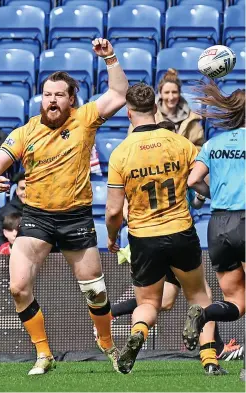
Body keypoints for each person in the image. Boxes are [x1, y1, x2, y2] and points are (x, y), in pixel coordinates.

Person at [0, 38, 129, 375]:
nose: (51, 100)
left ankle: (106, 341)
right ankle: (43, 353)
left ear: (70, 100)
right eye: (47, 94)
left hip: (76, 217)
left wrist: (110, 58)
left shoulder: (85, 118)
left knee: (95, 292)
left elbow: (119, 94)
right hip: (36, 217)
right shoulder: (25, 132)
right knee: (18, 287)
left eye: (58, 95)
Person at [105, 83, 224, 375]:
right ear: (156, 110)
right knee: (199, 297)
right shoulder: (179, 143)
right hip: (180, 230)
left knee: (148, 303)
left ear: (129, 114)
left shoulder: (120, 153)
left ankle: (139, 334)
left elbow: (112, 211)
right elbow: (200, 176)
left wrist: (111, 236)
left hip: (144, 237)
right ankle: (210, 362)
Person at [185, 81, 245, 381]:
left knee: (237, 301)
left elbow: (193, 181)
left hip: (218, 225)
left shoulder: (213, 144)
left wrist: (215, 196)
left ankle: (204, 314)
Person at [128, 69, 204, 150]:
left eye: (174, 92)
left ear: (179, 93)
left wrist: (182, 151)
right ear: (160, 93)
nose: (171, 97)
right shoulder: (146, 115)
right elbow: (132, 144)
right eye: (167, 92)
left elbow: (199, 148)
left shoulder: (191, 119)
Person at [0, 172, 26, 252]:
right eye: (22, 188)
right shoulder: (3, 213)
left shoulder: (43, 212)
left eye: (30, 189)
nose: (25, 193)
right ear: (17, 191)